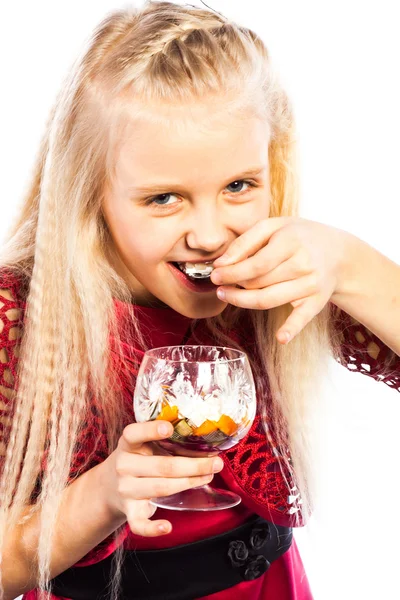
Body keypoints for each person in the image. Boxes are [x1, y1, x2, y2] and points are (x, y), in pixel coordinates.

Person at [0, 2, 399, 599]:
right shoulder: (19, 316)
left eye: (239, 186)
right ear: (91, 196)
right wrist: (102, 496)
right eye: (164, 198)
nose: (210, 235)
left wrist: (348, 263)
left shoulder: (285, 275)